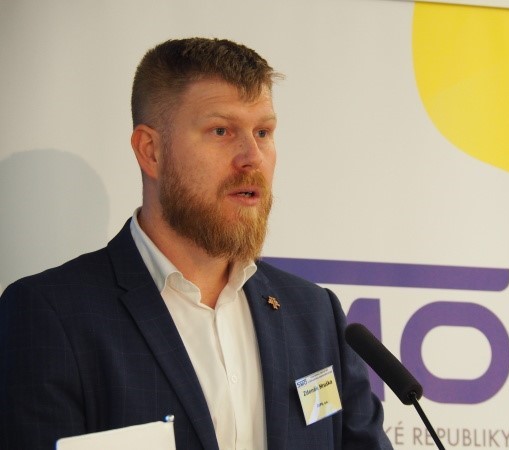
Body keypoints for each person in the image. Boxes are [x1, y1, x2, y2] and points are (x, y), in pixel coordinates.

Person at [0, 38, 392, 450]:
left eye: (263, 132)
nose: (252, 157)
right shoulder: (51, 315)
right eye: (221, 131)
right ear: (151, 151)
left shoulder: (315, 314)